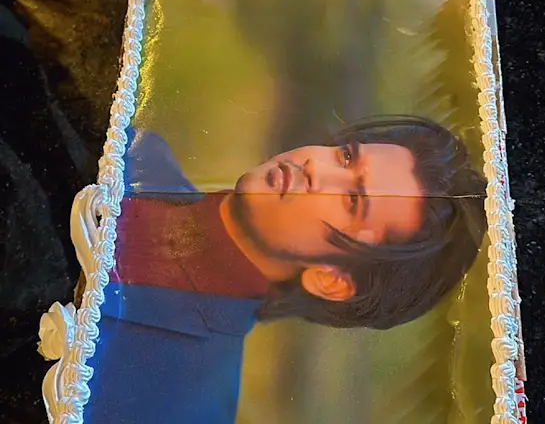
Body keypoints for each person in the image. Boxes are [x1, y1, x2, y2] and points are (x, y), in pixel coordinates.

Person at [84, 115, 487, 424]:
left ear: (331, 279)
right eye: (346, 156)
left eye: (351, 199)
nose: (315, 168)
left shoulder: (184, 399)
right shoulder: (135, 152)